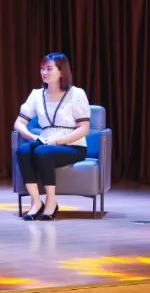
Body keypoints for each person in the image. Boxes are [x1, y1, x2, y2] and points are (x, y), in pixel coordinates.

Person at [14, 53, 92, 221]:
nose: (44, 72)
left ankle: (51, 202)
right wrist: (32, 137)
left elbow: (84, 128)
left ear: (61, 72)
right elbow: (19, 123)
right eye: (42, 69)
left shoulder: (76, 94)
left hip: (73, 145)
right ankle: (36, 202)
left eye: (49, 69)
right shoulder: (36, 95)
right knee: (23, 150)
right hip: (45, 142)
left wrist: (58, 141)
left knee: (43, 152)